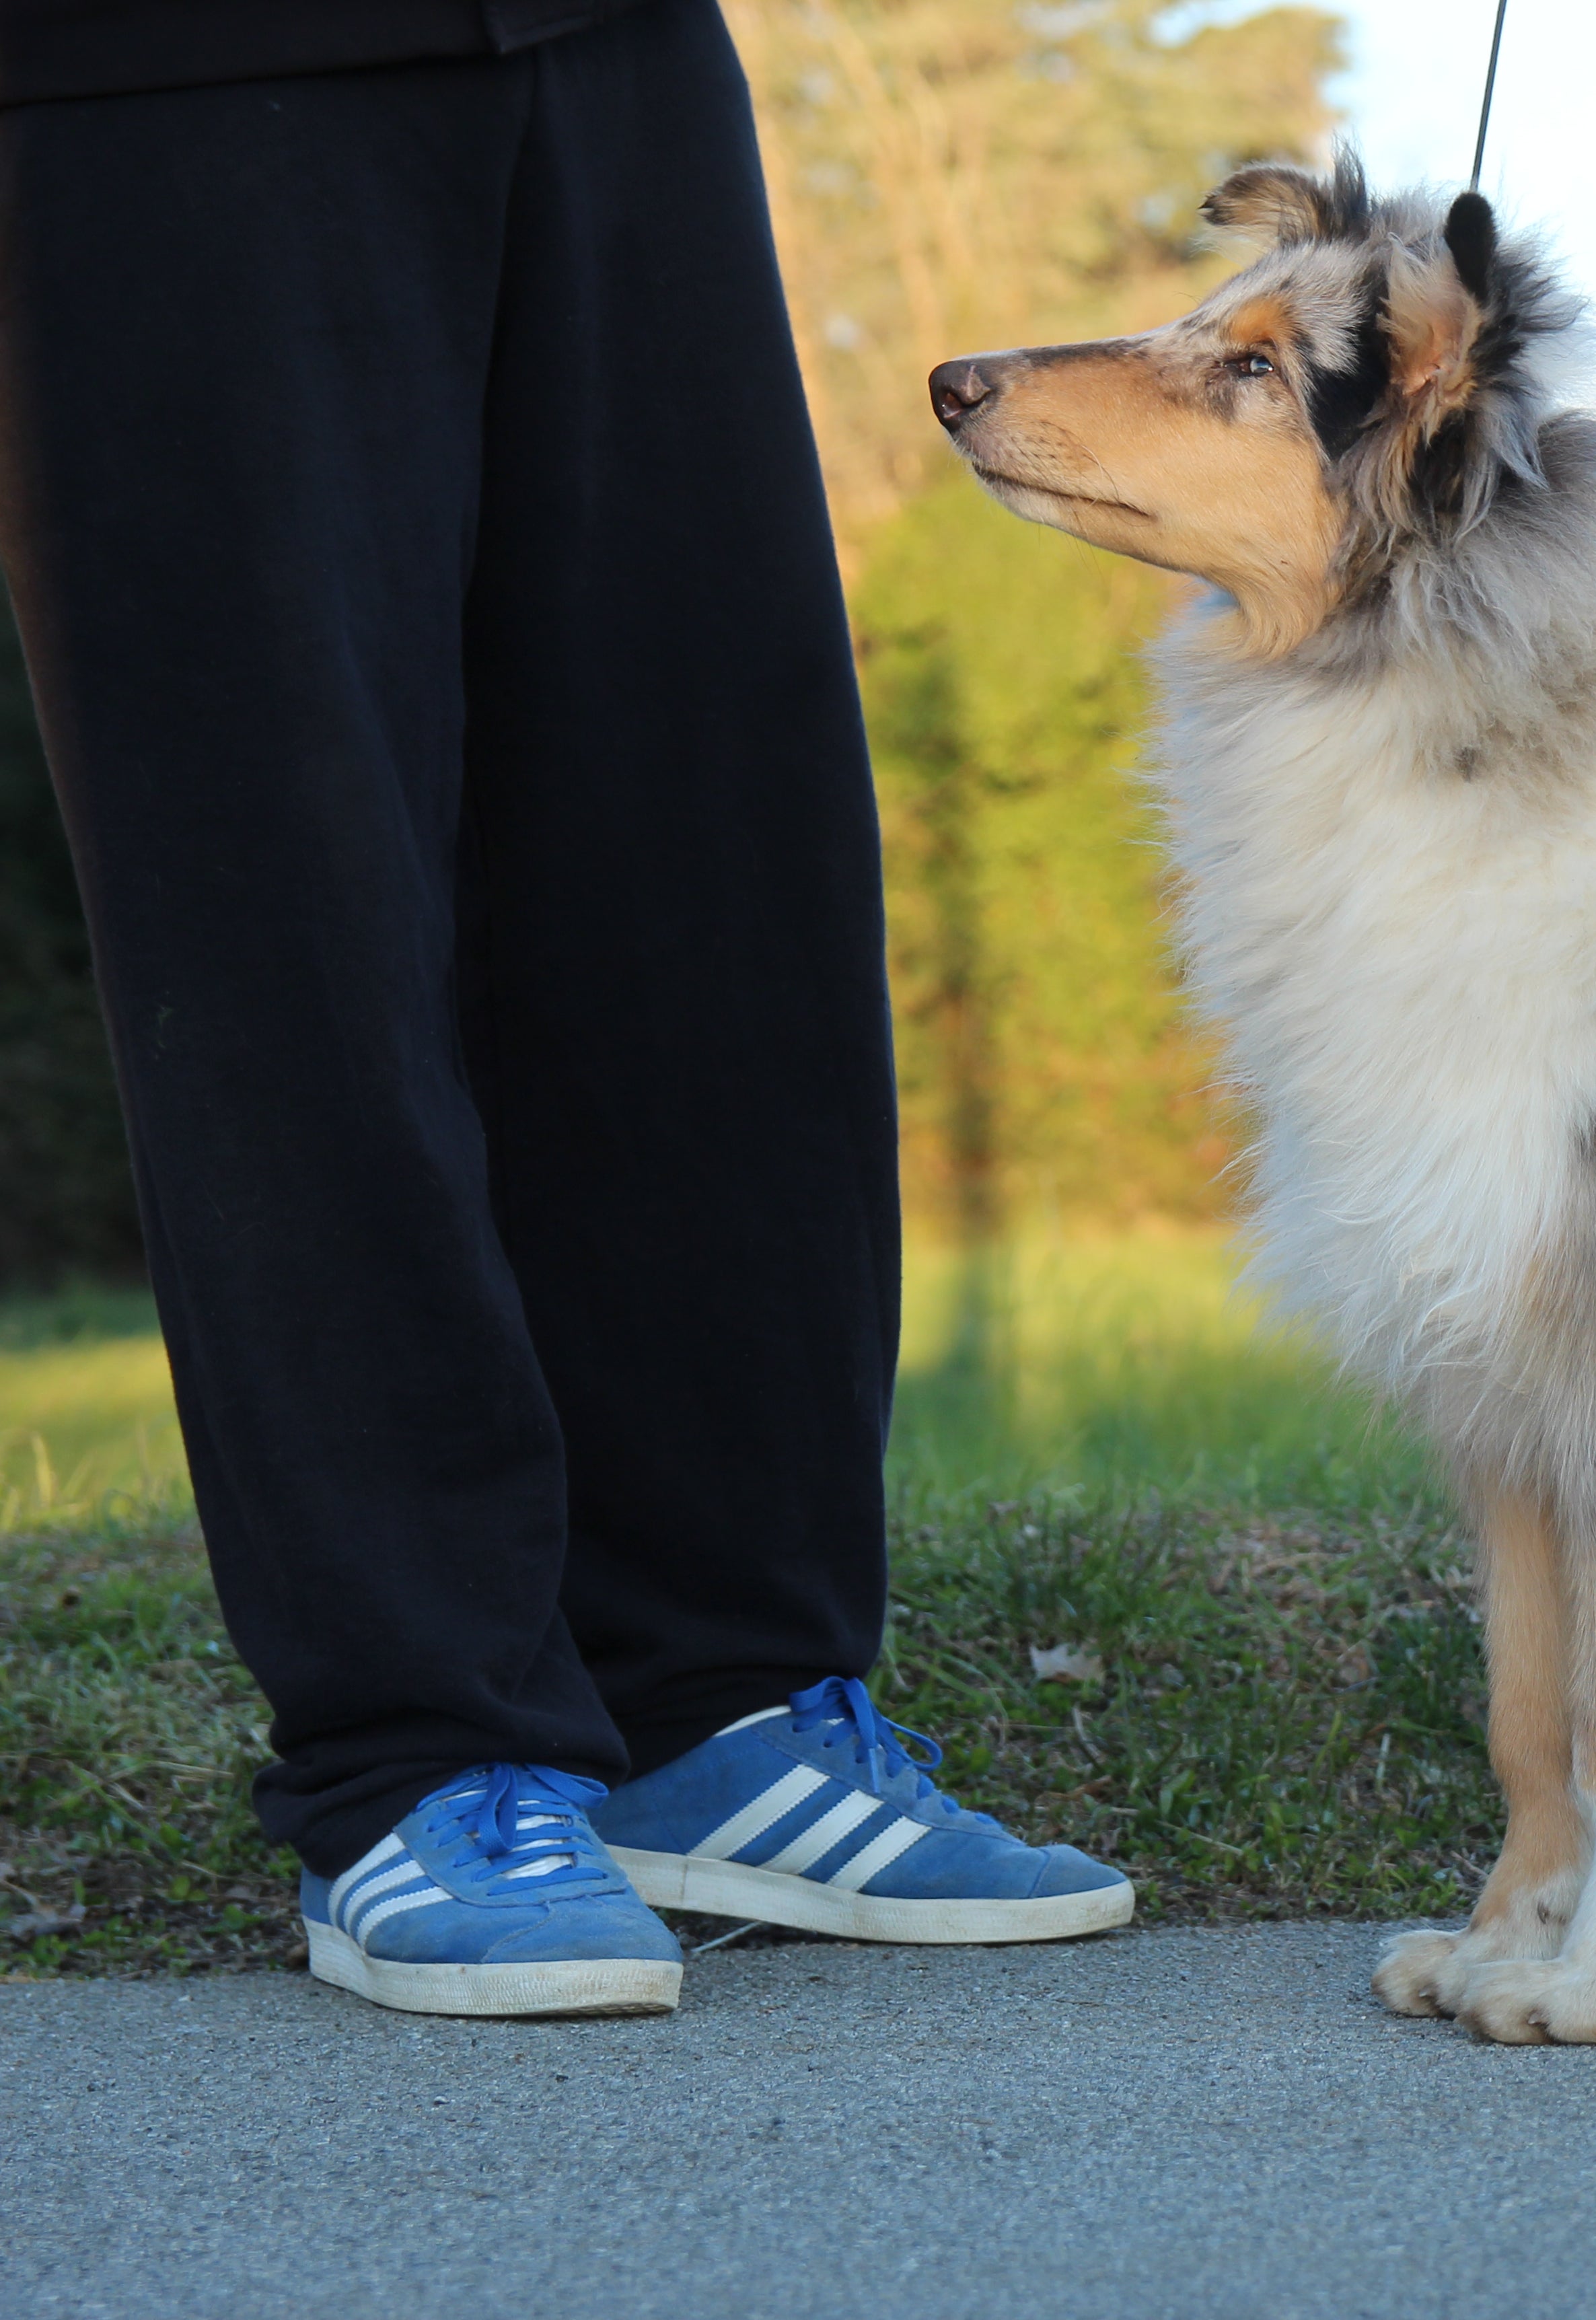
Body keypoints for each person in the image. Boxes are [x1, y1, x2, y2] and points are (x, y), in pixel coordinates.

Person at [0, 0, 1128, 2018]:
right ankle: (426, 1752)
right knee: (292, 888)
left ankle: (719, 1697)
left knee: (713, 852)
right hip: (161, 67)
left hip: (609, 50)